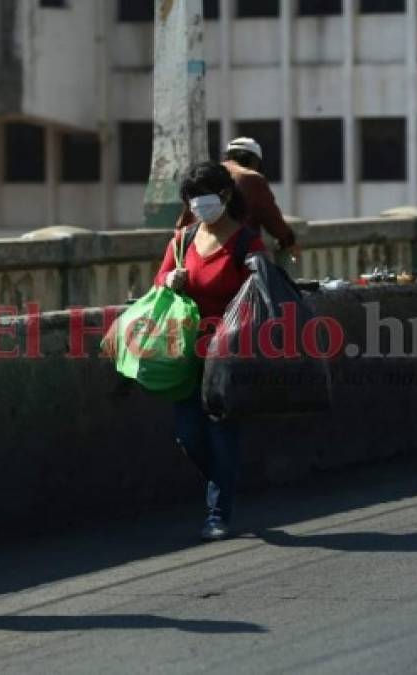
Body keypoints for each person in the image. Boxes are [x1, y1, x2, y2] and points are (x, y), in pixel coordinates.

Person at [156, 161, 265, 541]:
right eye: (193, 200)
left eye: (207, 199)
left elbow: (260, 292)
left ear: (225, 196)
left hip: (229, 352)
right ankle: (225, 480)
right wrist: (170, 279)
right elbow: (159, 281)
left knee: (221, 431)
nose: (200, 207)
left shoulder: (246, 242)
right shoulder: (183, 240)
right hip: (186, 351)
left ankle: (219, 512)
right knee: (188, 434)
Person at [175, 137, 298, 256]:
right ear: (254, 161)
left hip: (197, 250)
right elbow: (273, 220)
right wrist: (289, 241)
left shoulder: (207, 174)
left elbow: (183, 222)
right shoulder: (252, 178)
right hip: (235, 252)